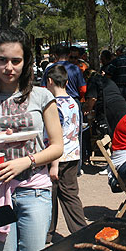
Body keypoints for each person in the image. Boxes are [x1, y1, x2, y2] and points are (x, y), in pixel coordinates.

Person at [0, 27, 63, 251]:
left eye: (16, 60)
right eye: (2, 60)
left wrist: (26, 161)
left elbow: (57, 147)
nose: (9, 67)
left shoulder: (42, 97)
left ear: (26, 62)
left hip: (34, 189)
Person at [44, 65, 87, 241]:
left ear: (49, 81)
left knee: (50, 197)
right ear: (67, 82)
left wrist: (53, 164)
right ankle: (80, 229)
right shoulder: (73, 102)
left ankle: (47, 232)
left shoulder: (54, 105)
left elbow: (57, 135)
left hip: (57, 157)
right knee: (70, 195)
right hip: (73, 154)